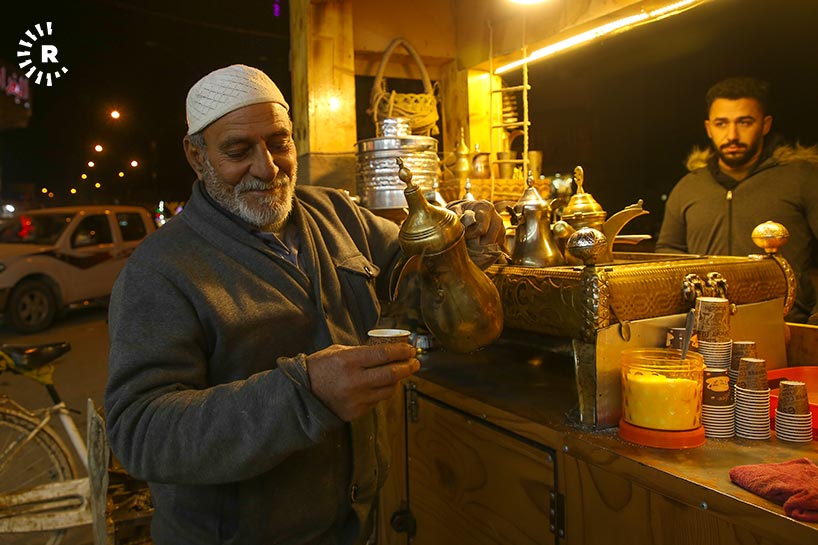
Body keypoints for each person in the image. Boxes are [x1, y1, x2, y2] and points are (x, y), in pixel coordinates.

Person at [104, 64, 505, 545]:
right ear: (196, 155)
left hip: (353, 522)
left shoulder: (334, 214)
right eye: (238, 151)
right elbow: (141, 433)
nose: (267, 167)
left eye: (279, 143)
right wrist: (304, 394)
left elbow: (412, 270)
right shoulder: (160, 270)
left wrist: (461, 239)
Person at [656, 76, 818, 323]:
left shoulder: (801, 179)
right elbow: (667, 255)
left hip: (787, 327)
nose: (732, 135)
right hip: (705, 329)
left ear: (765, 125)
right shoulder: (688, 187)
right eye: (721, 123)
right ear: (709, 128)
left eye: (744, 122)